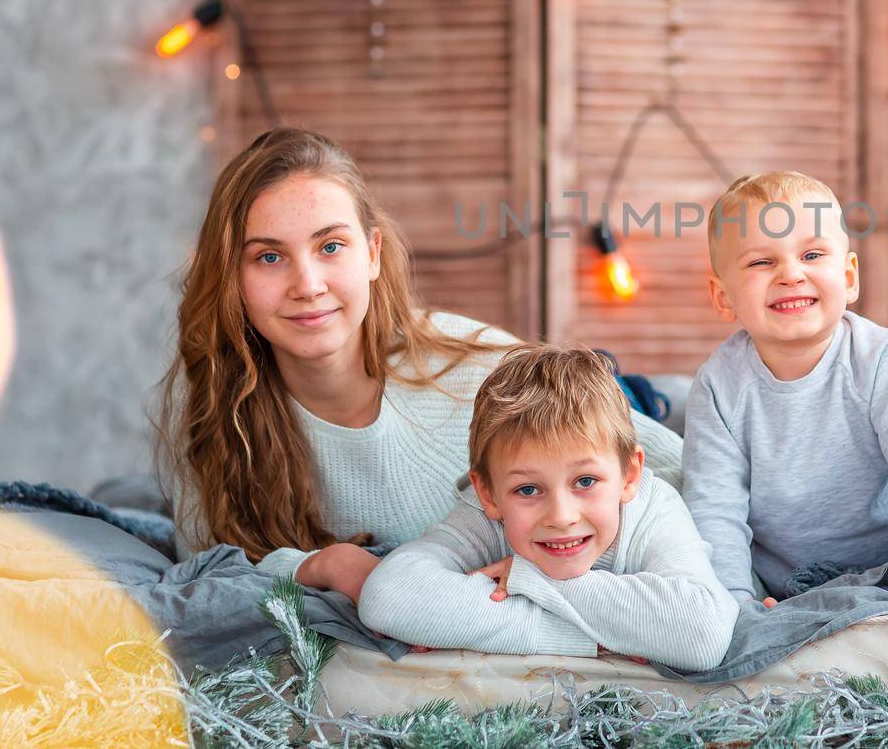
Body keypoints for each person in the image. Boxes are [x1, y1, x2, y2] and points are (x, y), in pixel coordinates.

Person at [155, 128, 682, 598]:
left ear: (373, 254)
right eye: (269, 257)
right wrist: (319, 566)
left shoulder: (473, 365)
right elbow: (203, 566)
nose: (307, 285)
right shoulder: (210, 393)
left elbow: (676, 471)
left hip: (606, 401)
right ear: (233, 274)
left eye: (331, 246)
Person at [682, 171, 888, 617]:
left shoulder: (880, 357)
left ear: (849, 276)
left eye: (812, 254)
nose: (791, 274)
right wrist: (734, 600)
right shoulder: (719, 384)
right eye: (761, 263)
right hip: (781, 581)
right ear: (723, 298)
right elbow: (715, 507)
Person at [354, 344, 736, 670]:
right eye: (528, 489)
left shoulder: (655, 508)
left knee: (663, 396)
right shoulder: (484, 511)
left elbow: (703, 632)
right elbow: (390, 596)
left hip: (658, 412)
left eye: (585, 482)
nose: (561, 516)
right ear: (488, 494)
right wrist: (596, 641)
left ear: (629, 476)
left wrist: (528, 579)